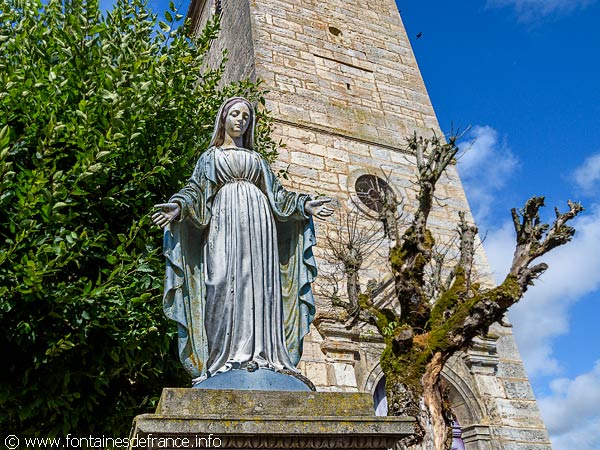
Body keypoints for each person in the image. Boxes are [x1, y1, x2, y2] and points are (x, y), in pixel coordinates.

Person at [152, 97, 333, 385]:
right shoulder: (210, 157)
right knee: (220, 282)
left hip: (259, 226)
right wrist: (178, 207)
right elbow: (196, 191)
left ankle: (264, 356)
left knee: (259, 285)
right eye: (235, 114)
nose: (240, 120)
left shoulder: (257, 160)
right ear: (223, 118)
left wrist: (304, 205)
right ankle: (221, 359)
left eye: (246, 117)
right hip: (224, 222)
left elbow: (279, 197)